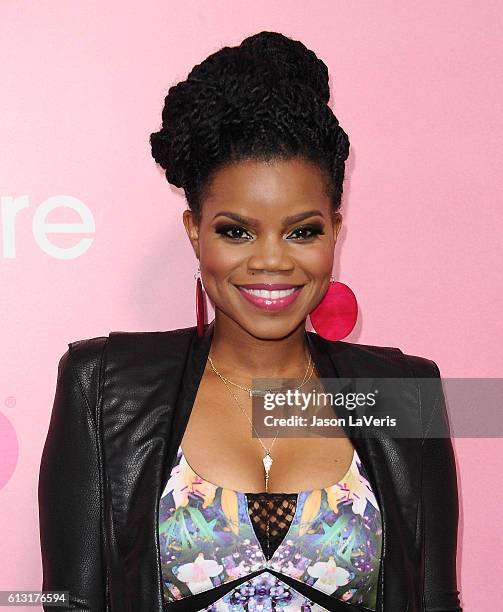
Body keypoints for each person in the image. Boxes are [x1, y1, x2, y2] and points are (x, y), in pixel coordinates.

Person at [38, 31, 462, 612]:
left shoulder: (404, 396)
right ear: (195, 230)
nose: (270, 260)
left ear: (335, 232)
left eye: (302, 230)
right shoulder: (104, 386)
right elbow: (66, 601)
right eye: (236, 230)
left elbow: (436, 600)